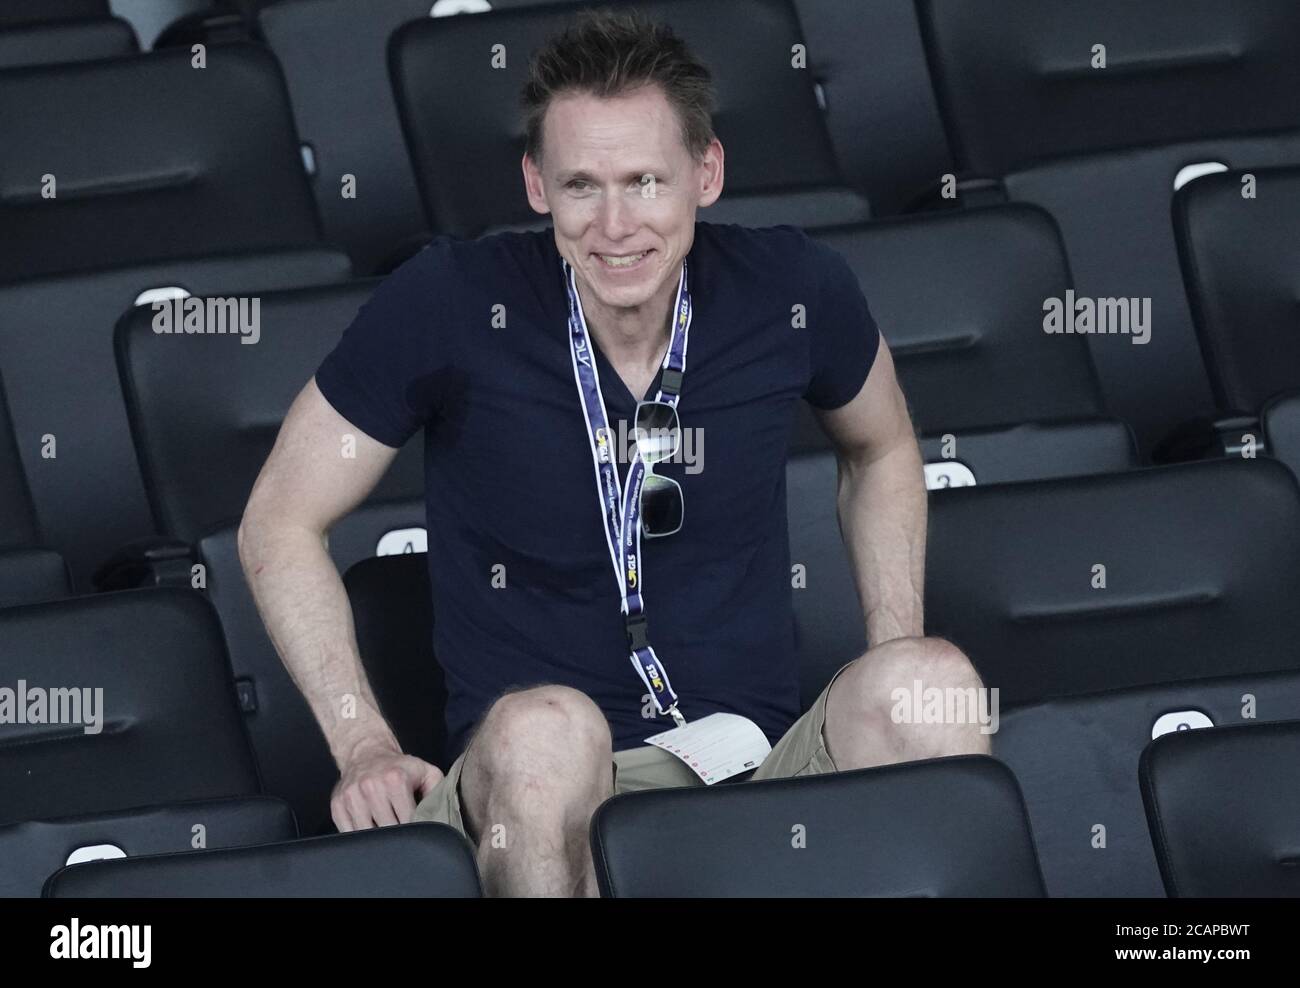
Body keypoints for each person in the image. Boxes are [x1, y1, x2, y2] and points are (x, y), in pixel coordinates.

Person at [237, 8, 988, 898]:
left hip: (751, 770)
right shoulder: (449, 300)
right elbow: (278, 521)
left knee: (931, 685)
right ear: (535, 185)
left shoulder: (792, 289)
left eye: (644, 181)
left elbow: (885, 446)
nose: (616, 225)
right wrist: (362, 741)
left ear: (706, 174)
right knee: (552, 733)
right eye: (582, 185)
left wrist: (889, 648)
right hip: (540, 791)